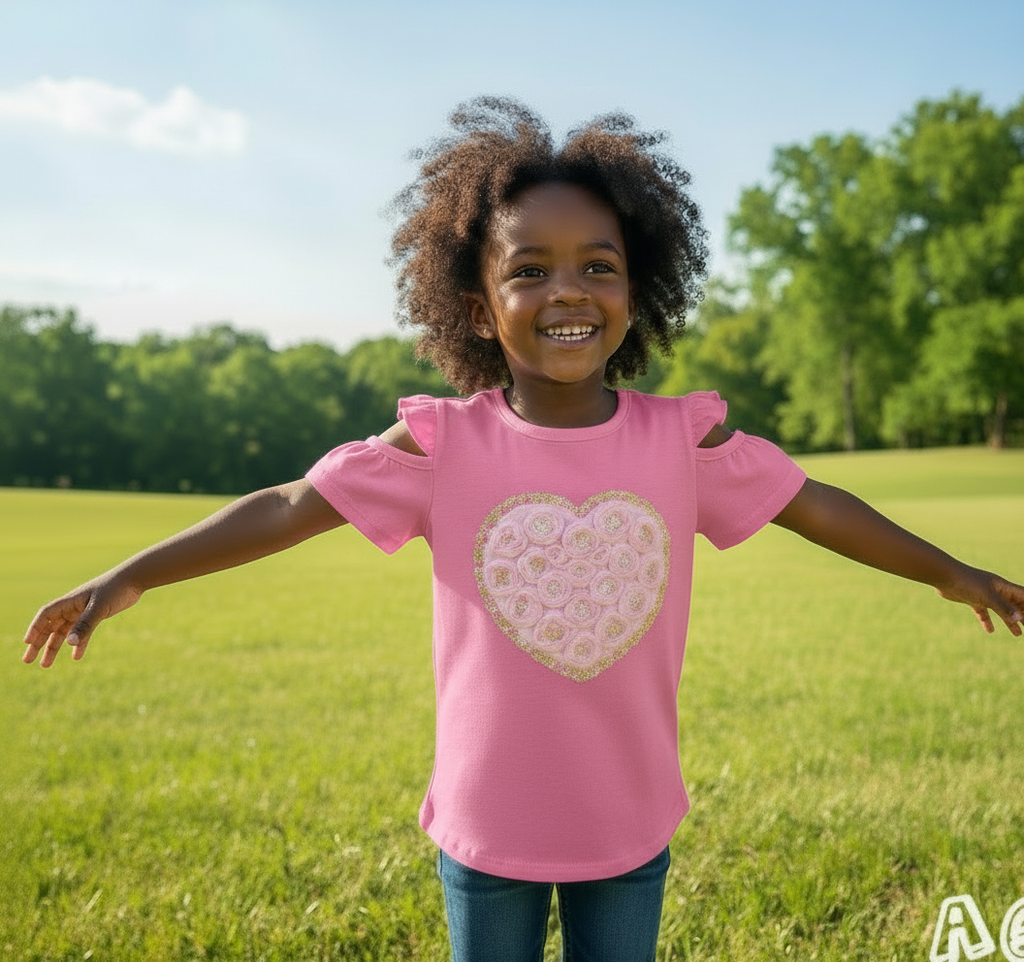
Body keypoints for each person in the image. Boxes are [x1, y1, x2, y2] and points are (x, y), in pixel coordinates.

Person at [22, 97, 1024, 962]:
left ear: (637, 289)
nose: (567, 291)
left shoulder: (683, 436)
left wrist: (948, 572)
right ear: (479, 303)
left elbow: (812, 502)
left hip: (628, 818)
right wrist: (133, 574)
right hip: (484, 826)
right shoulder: (439, 443)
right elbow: (289, 503)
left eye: (598, 264)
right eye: (529, 270)